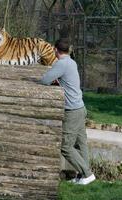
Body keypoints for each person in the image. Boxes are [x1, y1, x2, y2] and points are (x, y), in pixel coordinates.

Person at [41, 38, 95, 185]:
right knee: (80, 144)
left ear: (55, 50)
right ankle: (83, 176)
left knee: (65, 147)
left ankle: (87, 174)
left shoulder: (62, 63)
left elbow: (44, 80)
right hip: (80, 108)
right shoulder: (71, 62)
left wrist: (53, 80)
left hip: (72, 111)